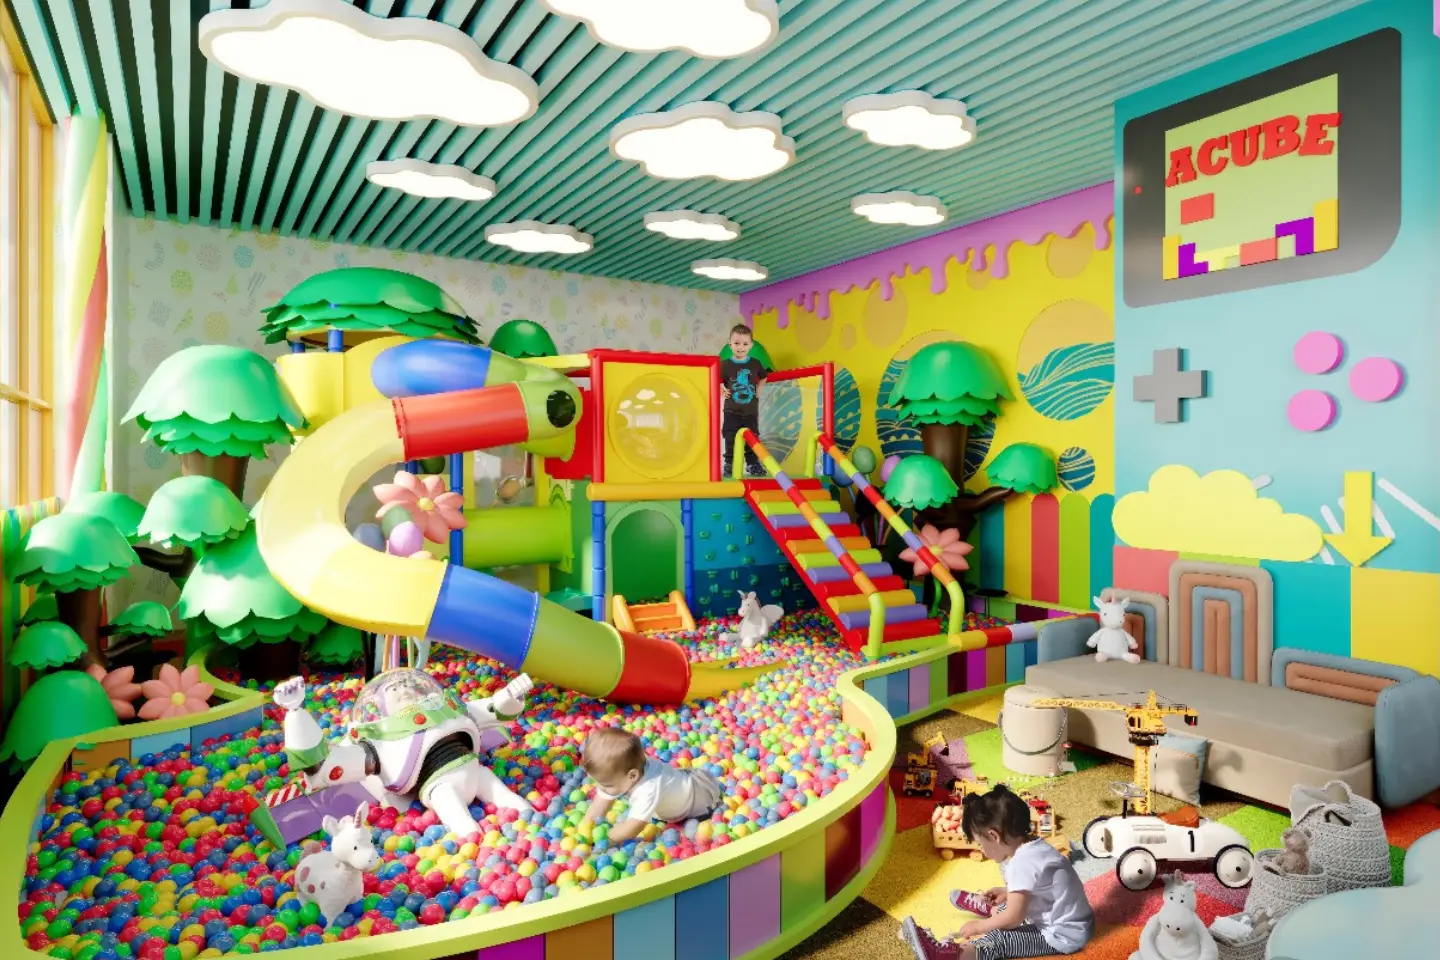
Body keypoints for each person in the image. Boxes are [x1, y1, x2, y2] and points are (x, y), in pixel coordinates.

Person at [900, 785, 1094, 960]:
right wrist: (1007, 892)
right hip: (1076, 923)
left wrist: (980, 927)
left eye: (980, 844)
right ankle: (993, 910)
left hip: (1061, 936)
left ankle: (945, 955)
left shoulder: (1020, 864)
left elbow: (1014, 919)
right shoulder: (1035, 846)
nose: (982, 850)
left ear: (994, 836)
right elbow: (1039, 886)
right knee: (1006, 911)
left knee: (1000, 939)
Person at [578, 726, 723, 843]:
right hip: (681, 783)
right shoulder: (625, 771)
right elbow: (600, 803)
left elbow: (632, 827)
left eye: (607, 785)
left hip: (700, 797)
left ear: (632, 776)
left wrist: (606, 840)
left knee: (695, 826)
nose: (602, 789)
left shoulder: (647, 788)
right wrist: (586, 828)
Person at [720, 324, 767, 477]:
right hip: (731, 411)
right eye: (737, 343)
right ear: (730, 345)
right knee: (730, 437)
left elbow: (764, 377)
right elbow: (715, 380)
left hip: (750, 411)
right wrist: (721, 389)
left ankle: (752, 464)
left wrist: (759, 388)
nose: (741, 347)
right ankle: (729, 463)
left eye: (745, 344)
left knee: (752, 437)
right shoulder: (724, 365)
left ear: (751, 345)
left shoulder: (755, 364)